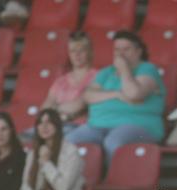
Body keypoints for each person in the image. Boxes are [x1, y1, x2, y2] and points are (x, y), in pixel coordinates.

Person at [67, 30, 165, 166]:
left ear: (138, 51)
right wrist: (117, 94)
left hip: (138, 125)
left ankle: (112, 184)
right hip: (98, 125)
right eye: (117, 49)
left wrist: (124, 69)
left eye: (126, 49)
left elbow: (134, 94)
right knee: (68, 141)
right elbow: (88, 96)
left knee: (113, 141)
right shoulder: (106, 72)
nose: (120, 54)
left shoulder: (147, 69)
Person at [42, 32, 98, 134]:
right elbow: (45, 109)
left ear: (89, 52)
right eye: (73, 51)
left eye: (81, 50)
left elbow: (78, 106)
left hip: (81, 127)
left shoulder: (98, 76)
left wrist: (55, 110)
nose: (77, 55)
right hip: (55, 126)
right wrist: (61, 114)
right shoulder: (60, 81)